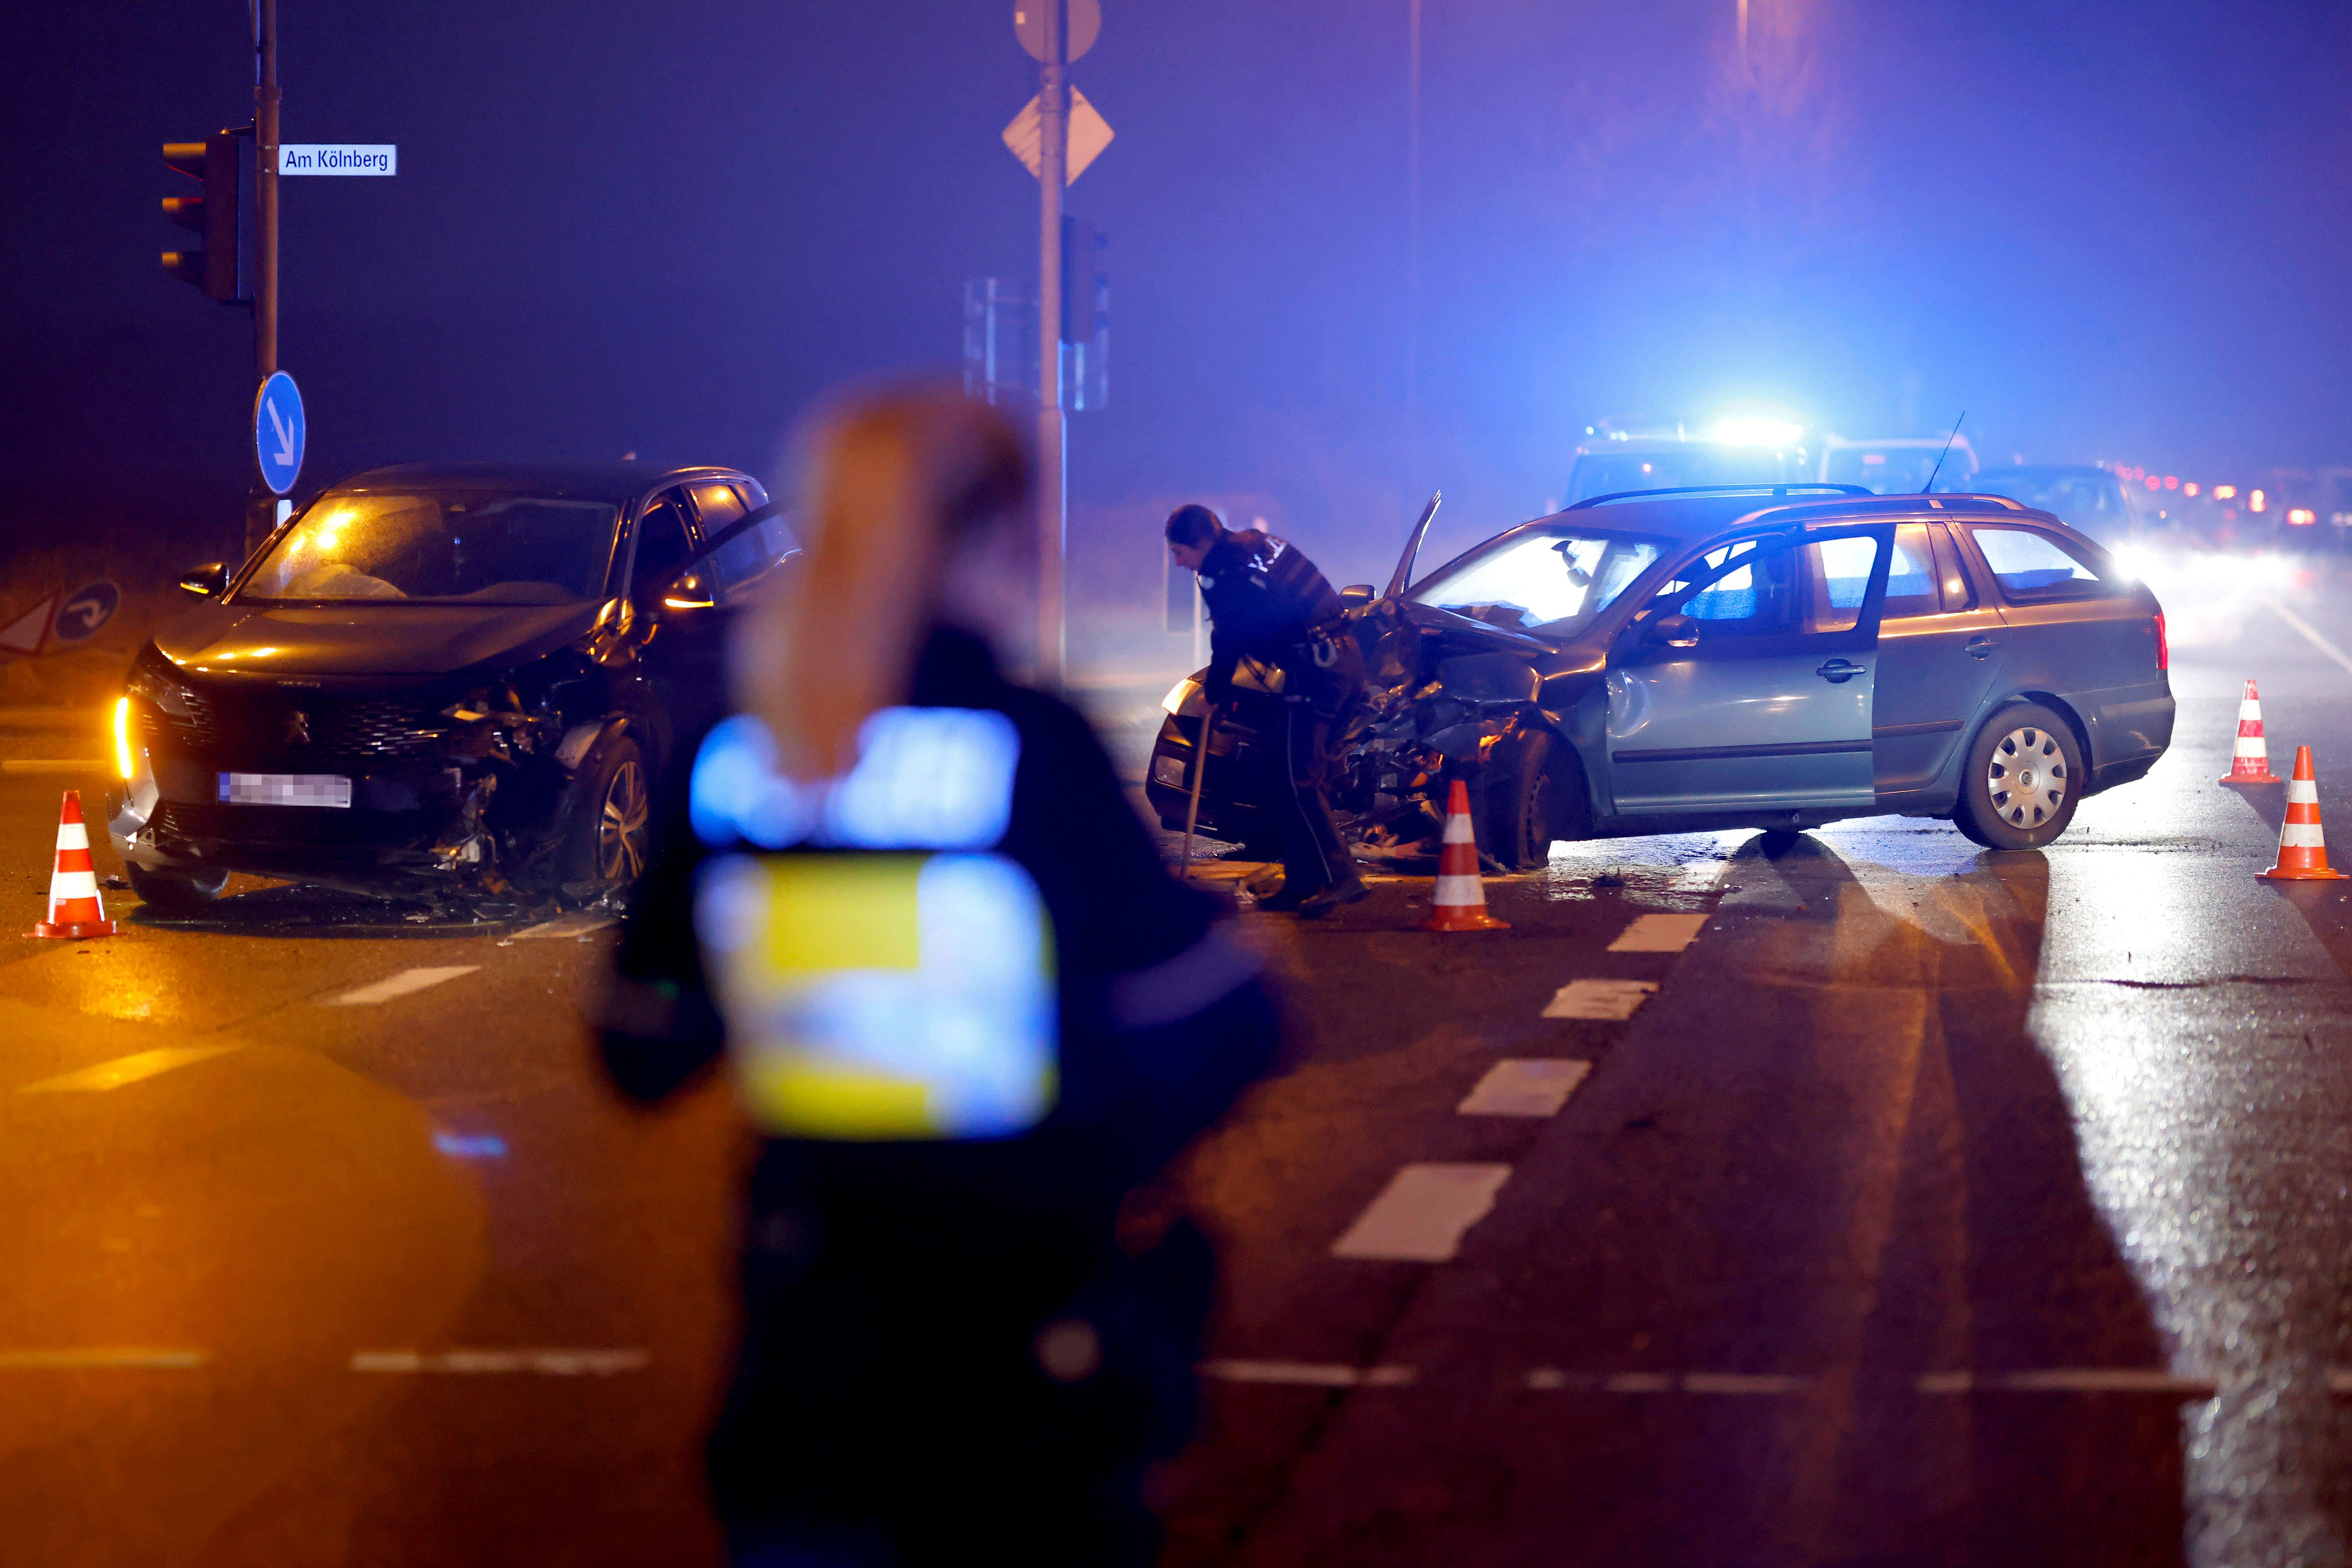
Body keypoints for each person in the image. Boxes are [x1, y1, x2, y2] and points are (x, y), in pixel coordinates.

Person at [595, 389, 1280, 1567]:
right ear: (995, 538)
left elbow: (640, 1041)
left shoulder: (746, 749)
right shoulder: (1026, 743)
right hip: (1024, 1344)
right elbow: (1221, 1024)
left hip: (812, 1349)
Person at [1164, 504, 1368, 916]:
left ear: (1201, 543)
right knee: (1296, 776)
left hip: (1316, 672)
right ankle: (1301, 883)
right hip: (1342, 662)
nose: (1179, 563)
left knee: (1300, 781)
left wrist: (1214, 695)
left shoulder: (1221, 571)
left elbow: (1229, 638)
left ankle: (1343, 877)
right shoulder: (1259, 544)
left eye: (1180, 552)